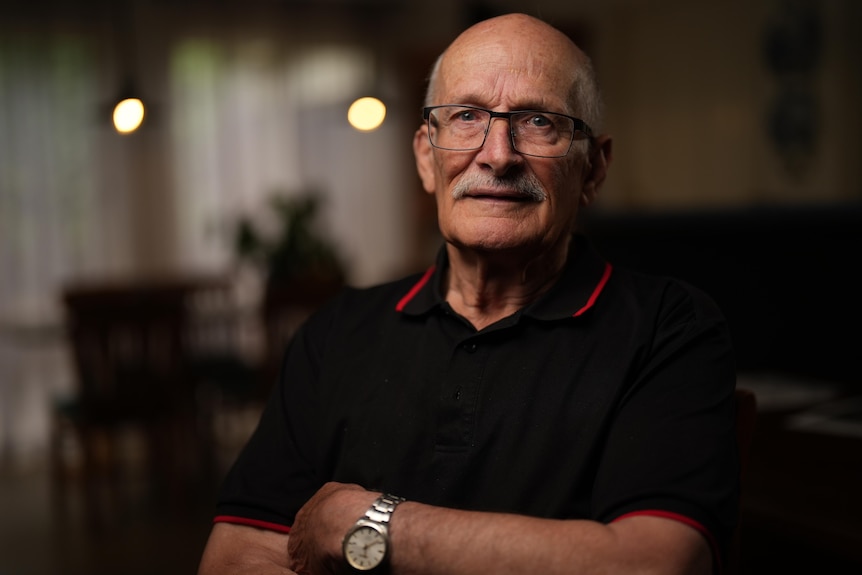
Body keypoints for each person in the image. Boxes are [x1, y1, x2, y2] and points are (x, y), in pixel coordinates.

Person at [198, 12, 738, 575]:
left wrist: (364, 521)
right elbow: (238, 554)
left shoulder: (670, 329)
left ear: (594, 169)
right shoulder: (335, 333)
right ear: (426, 157)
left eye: (538, 121)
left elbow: (655, 564)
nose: (498, 154)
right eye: (465, 117)